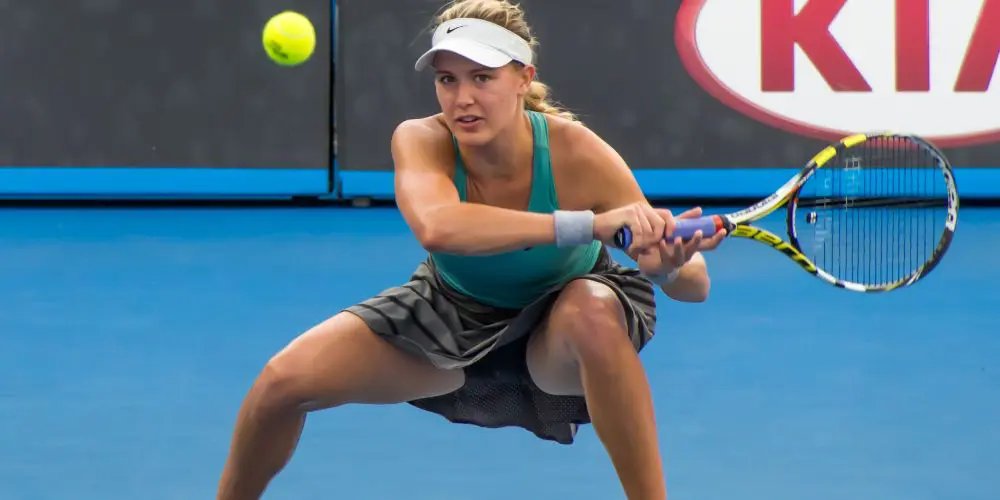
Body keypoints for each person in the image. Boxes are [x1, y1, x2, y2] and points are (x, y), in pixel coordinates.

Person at [216, 0, 725, 498]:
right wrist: (587, 225)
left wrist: (665, 268)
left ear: (523, 78)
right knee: (280, 384)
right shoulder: (420, 139)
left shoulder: (578, 152)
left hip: (561, 329)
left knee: (591, 310)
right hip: (450, 312)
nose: (462, 98)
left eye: (482, 78)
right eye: (448, 79)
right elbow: (439, 227)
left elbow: (694, 284)